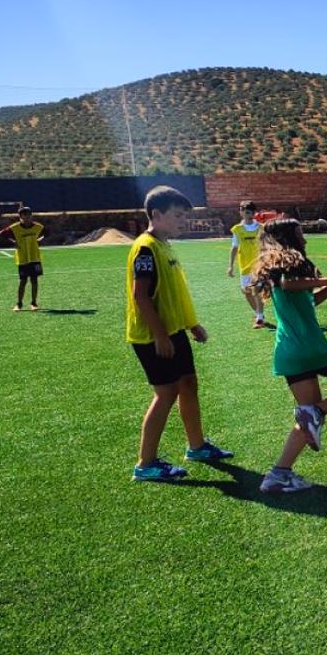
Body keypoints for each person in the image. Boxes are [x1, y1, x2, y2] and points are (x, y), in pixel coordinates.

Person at [252, 218, 327, 493]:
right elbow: (288, 285)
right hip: (311, 348)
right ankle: (318, 412)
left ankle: (278, 474)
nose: (305, 239)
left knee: (306, 419)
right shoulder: (292, 265)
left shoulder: (278, 265)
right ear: (288, 237)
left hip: (288, 353)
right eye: (300, 234)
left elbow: (308, 301)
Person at [128, 186, 233, 482]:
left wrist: (191, 324)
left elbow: (174, 295)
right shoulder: (145, 248)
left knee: (188, 384)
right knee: (166, 393)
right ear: (156, 215)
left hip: (175, 331)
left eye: (184, 215)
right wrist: (160, 335)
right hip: (152, 336)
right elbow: (141, 296)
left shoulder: (165, 245)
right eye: (177, 215)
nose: (183, 221)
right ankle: (145, 464)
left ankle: (197, 446)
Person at [0, 206, 44, 311]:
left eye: (28, 215)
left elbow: (47, 232)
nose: (26, 218)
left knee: (34, 280)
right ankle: (19, 304)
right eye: (24, 216)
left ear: (31, 216)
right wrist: (14, 242)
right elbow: (0, 234)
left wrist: (39, 240)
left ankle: (34, 303)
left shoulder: (38, 227)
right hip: (22, 258)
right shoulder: (15, 228)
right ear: (20, 217)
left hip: (35, 257)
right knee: (23, 281)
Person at [227, 200, 265, 328]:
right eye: (244, 211)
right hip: (244, 265)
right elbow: (234, 247)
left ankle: (259, 317)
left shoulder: (261, 228)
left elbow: (266, 245)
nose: (247, 214)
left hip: (259, 264)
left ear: (254, 213)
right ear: (241, 213)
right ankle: (258, 313)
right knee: (246, 291)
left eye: (250, 212)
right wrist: (230, 266)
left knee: (257, 290)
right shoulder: (237, 229)